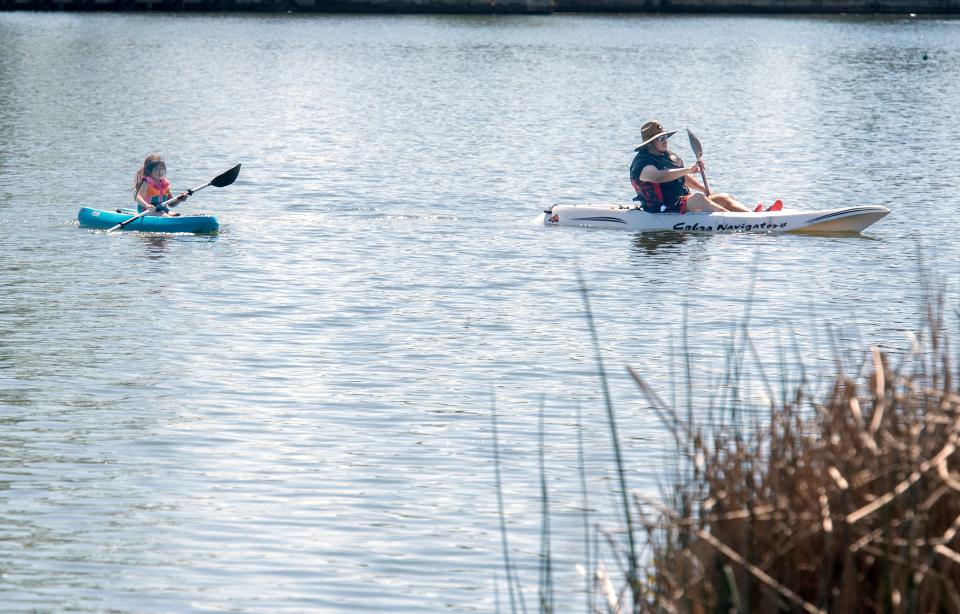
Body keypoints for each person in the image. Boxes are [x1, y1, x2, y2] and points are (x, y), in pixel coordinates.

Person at [629, 120, 775, 214]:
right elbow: (659, 177)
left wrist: (703, 189)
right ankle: (736, 220)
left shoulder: (668, 156)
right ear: (649, 143)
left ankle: (753, 215)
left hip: (679, 201)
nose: (665, 141)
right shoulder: (642, 163)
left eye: (665, 137)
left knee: (724, 197)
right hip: (660, 207)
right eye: (660, 139)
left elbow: (682, 177)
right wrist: (689, 169)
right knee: (699, 199)